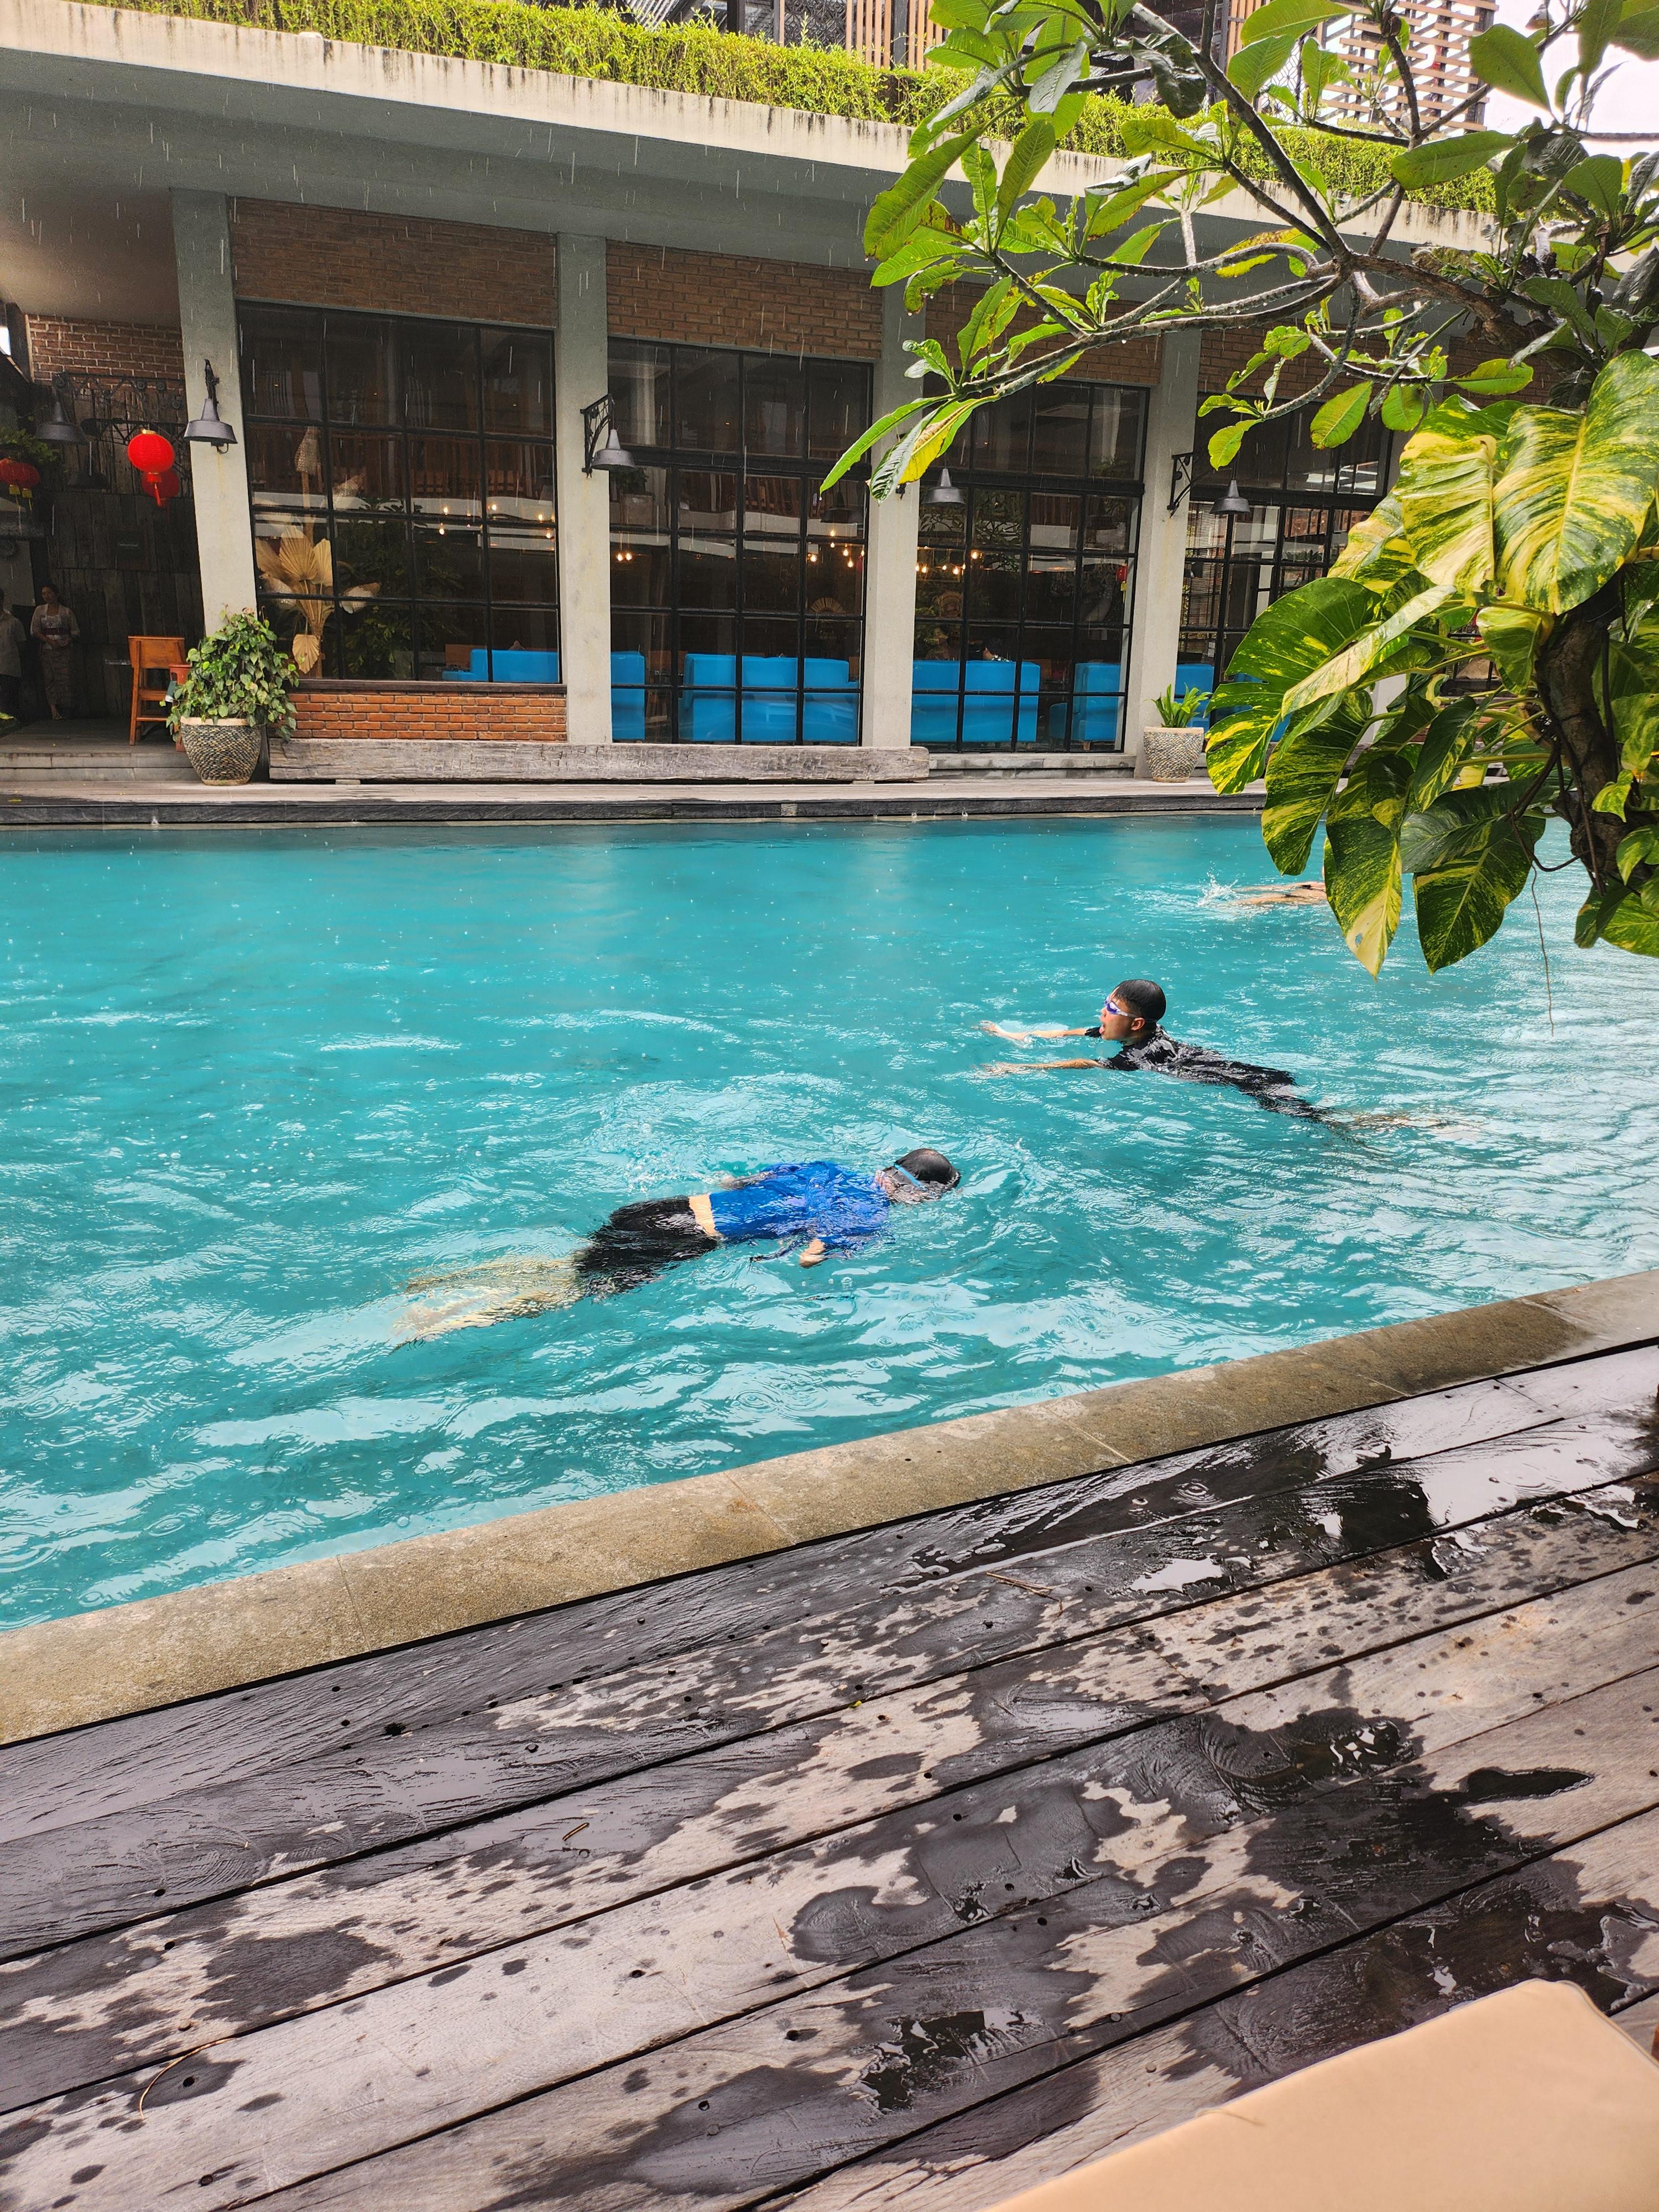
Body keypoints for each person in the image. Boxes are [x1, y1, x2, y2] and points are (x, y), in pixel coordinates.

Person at [396, 1149, 962, 1339]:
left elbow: (737, 1182)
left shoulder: (829, 1166)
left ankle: (443, 1280)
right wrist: (818, 1256)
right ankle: (445, 1321)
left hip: (663, 1209)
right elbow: (811, 1258)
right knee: (580, 1292)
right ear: (918, 1193)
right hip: (687, 1239)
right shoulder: (868, 1216)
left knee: (577, 1261)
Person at [980, 978, 1328, 1120]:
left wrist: (1020, 1069)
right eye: (1106, 1003)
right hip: (1212, 1063)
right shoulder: (1136, 1031)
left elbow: (1083, 1063)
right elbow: (1073, 1033)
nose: (1102, 1013)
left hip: (1221, 1075)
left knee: (1295, 1110)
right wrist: (1017, 1035)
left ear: (1135, 1025)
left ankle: (1344, 1123)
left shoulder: (1137, 1056)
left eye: (1111, 1010)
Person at [30, 583, 79, 721]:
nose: (47, 596)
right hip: (48, 649)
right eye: (44, 594)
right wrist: (48, 640)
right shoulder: (40, 611)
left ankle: (67, 707)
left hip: (64, 649)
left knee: (65, 678)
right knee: (49, 678)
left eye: (49, 593)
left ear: (56, 594)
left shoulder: (66, 612)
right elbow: (35, 630)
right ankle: (53, 709)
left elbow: (75, 631)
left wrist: (68, 641)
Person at [0, 601, 25, 721]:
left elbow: (22, 644)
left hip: (9, 667)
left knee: (9, 702)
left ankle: (14, 724)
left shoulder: (14, 622)